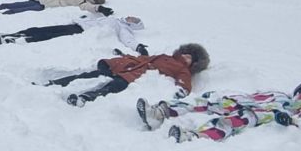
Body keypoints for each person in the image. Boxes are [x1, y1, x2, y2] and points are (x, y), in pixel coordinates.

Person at [138, 77, 301, 140]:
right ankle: (160, 113)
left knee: (228, 123)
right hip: (239, 101)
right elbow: (255, 94)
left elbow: (299, 122)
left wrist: (287, 119)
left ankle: (194, 136)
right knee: (201, 103)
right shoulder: (280, 94)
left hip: (259, 115)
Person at [46, 43, 209, 106]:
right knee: (88, 76)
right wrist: (119, 59)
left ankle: (84, 98)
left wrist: (181, 91)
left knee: (110, 88)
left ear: (192, 64)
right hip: (123, 68)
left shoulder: (183, 70)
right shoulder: (165, 56)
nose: (186, 58)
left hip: (133, 77)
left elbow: (184, 84)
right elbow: (140, 58)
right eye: (187, 54)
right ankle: (54, 84)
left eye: (189, 58)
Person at [0, 13, 144, 48]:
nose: (131, 18)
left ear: (133, 25)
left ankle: (11, 40)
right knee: (38, 29)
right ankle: (6, 35)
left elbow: (128, 39)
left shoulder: (122, 28)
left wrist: (138, 47)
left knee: (46, 35)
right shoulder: (114, 18)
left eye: (134, 20)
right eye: (132, 17)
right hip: (76, 25)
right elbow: (91, 17)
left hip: (80, 32)